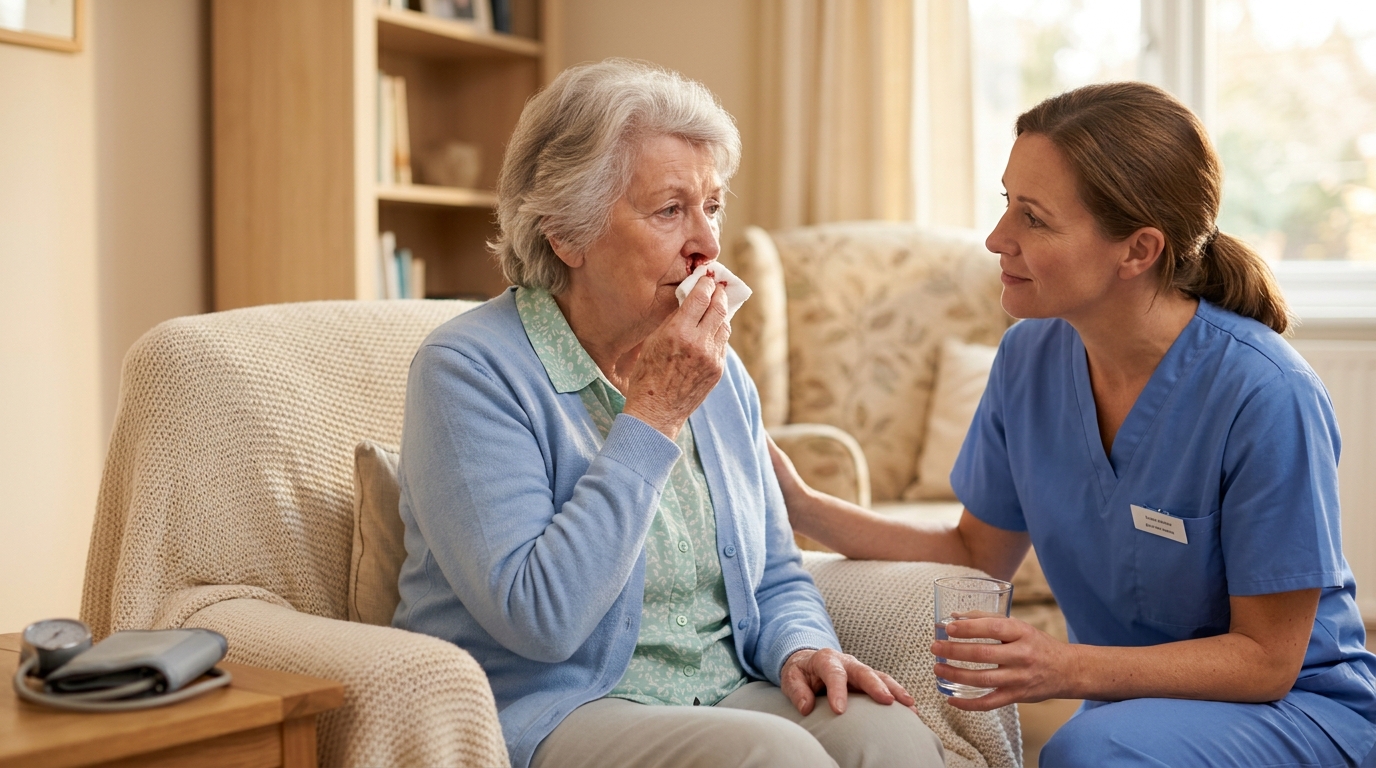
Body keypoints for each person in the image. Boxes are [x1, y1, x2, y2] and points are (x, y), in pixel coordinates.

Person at [773, 81, 1376, 768]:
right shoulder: (1027, 360)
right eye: (1007, 203)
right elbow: (973, 554)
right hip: (1139, 717)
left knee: (1085, 752)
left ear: (1138, 250)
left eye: (1034, 218)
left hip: (1293, 712)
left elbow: (1267, 661)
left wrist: (1064, 667)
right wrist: (796, 501)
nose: (998, 238)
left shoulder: (1267, 395)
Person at [392, 59, 944, 768]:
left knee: (891, 736)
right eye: (669, 210)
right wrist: (652, 416)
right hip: (556, 706)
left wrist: (803, 645)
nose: (708, 246)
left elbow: (775, 570)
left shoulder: (713, 366)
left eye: (711, 206)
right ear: (566, 231)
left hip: (717, 689)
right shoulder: (468, 372)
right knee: (774, 757)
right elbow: (542, 619)